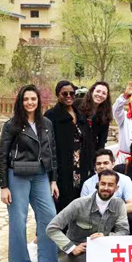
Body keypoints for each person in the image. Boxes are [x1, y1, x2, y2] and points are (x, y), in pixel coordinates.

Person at [0, 85, 62, 262]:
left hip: (41, 174)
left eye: (33, 99)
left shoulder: (46, 123)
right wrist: (4, 186)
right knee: (19, 218)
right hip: (18, 173)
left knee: (49, 215)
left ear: (38, 100)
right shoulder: (12, 125)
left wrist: (53, 180)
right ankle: (23, 261)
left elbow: (52, 152)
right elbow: (2, 155)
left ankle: (49, 260)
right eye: (26, 99)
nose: (30, 102)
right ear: (20, 101)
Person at [46, 170, 129, 262]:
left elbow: (124, 231)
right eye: (103, 184)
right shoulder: (79, 204)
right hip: (81, 249)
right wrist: (71, 248)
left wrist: (107, 237)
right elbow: (52, 228)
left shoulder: (119, 204)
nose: (106, 188)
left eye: (110, 185)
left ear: (116, 188)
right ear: (98, 184)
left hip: (105, 246)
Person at [45, 80, 94, 212]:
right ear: (57, 95)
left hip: (80, 166)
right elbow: (48, 145)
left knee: (80, 201)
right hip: (62, 167)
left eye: (71, 93)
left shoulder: (80, 115)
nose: (68, 96)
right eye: (64, 93)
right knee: (62, 203)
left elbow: (88, 141)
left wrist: (91, 164)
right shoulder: (51, 116)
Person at [81, 148, 132, 234]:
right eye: (98, 164)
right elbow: (84, 210)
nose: (102, 166)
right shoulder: (88, 184)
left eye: (106, 163)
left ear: (113, 163)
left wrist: (109, 213)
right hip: (96, 220)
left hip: (119, 218)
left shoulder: (125, 180)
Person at [77, 81, 112, 150]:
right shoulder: (77, 104)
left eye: (104, 93)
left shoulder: (105, 115)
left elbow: (102, 140)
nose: (100, 95)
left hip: (91, 150)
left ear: (106, 97)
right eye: (98, 91)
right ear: (92, 91)